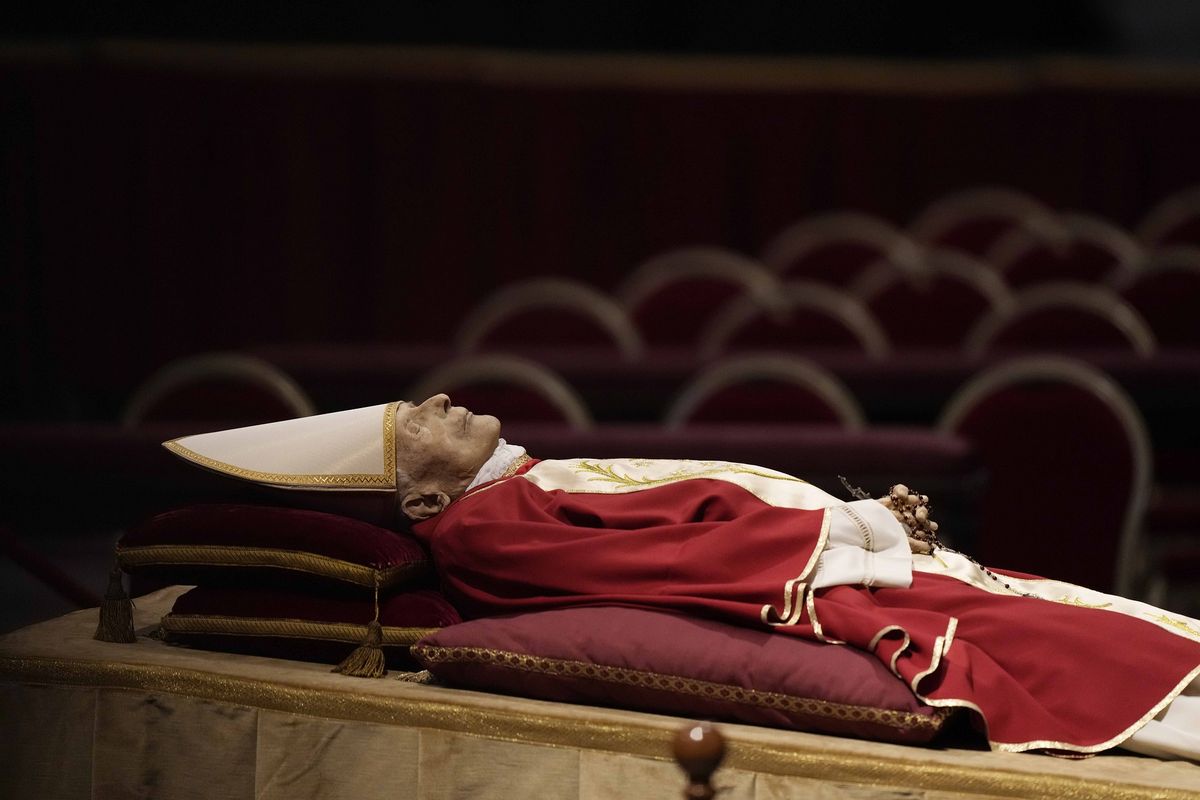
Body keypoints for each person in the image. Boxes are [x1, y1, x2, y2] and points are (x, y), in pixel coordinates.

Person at [165, 394, 1200, 761]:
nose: (440, 398)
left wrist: (857, 522)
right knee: (1059, 644)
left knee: (1064, 611)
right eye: (413, 423)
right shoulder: (486, 526)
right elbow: (665, 559)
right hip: (814, 579)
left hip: (830, 553)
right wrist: (855, 527)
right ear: (418, 503)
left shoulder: (512, 485)